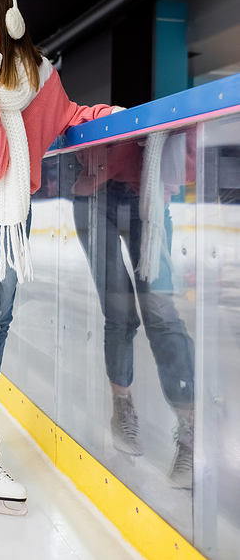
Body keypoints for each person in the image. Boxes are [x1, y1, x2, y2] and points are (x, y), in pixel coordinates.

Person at [0, 0, 123, 515]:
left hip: (13, 214)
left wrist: (120, 118)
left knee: (0, 319)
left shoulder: (41, 76)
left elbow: (66, 117)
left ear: (10, 21)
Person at [71, 130, 195, 488]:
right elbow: (81, 144)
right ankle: (121, 407)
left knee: (159, 311)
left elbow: (188, 168)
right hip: (95, 201)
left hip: (152, 205)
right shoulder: (102, 116)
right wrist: (114, 128)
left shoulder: (186, 120)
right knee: (119, 311)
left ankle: (190, 429)